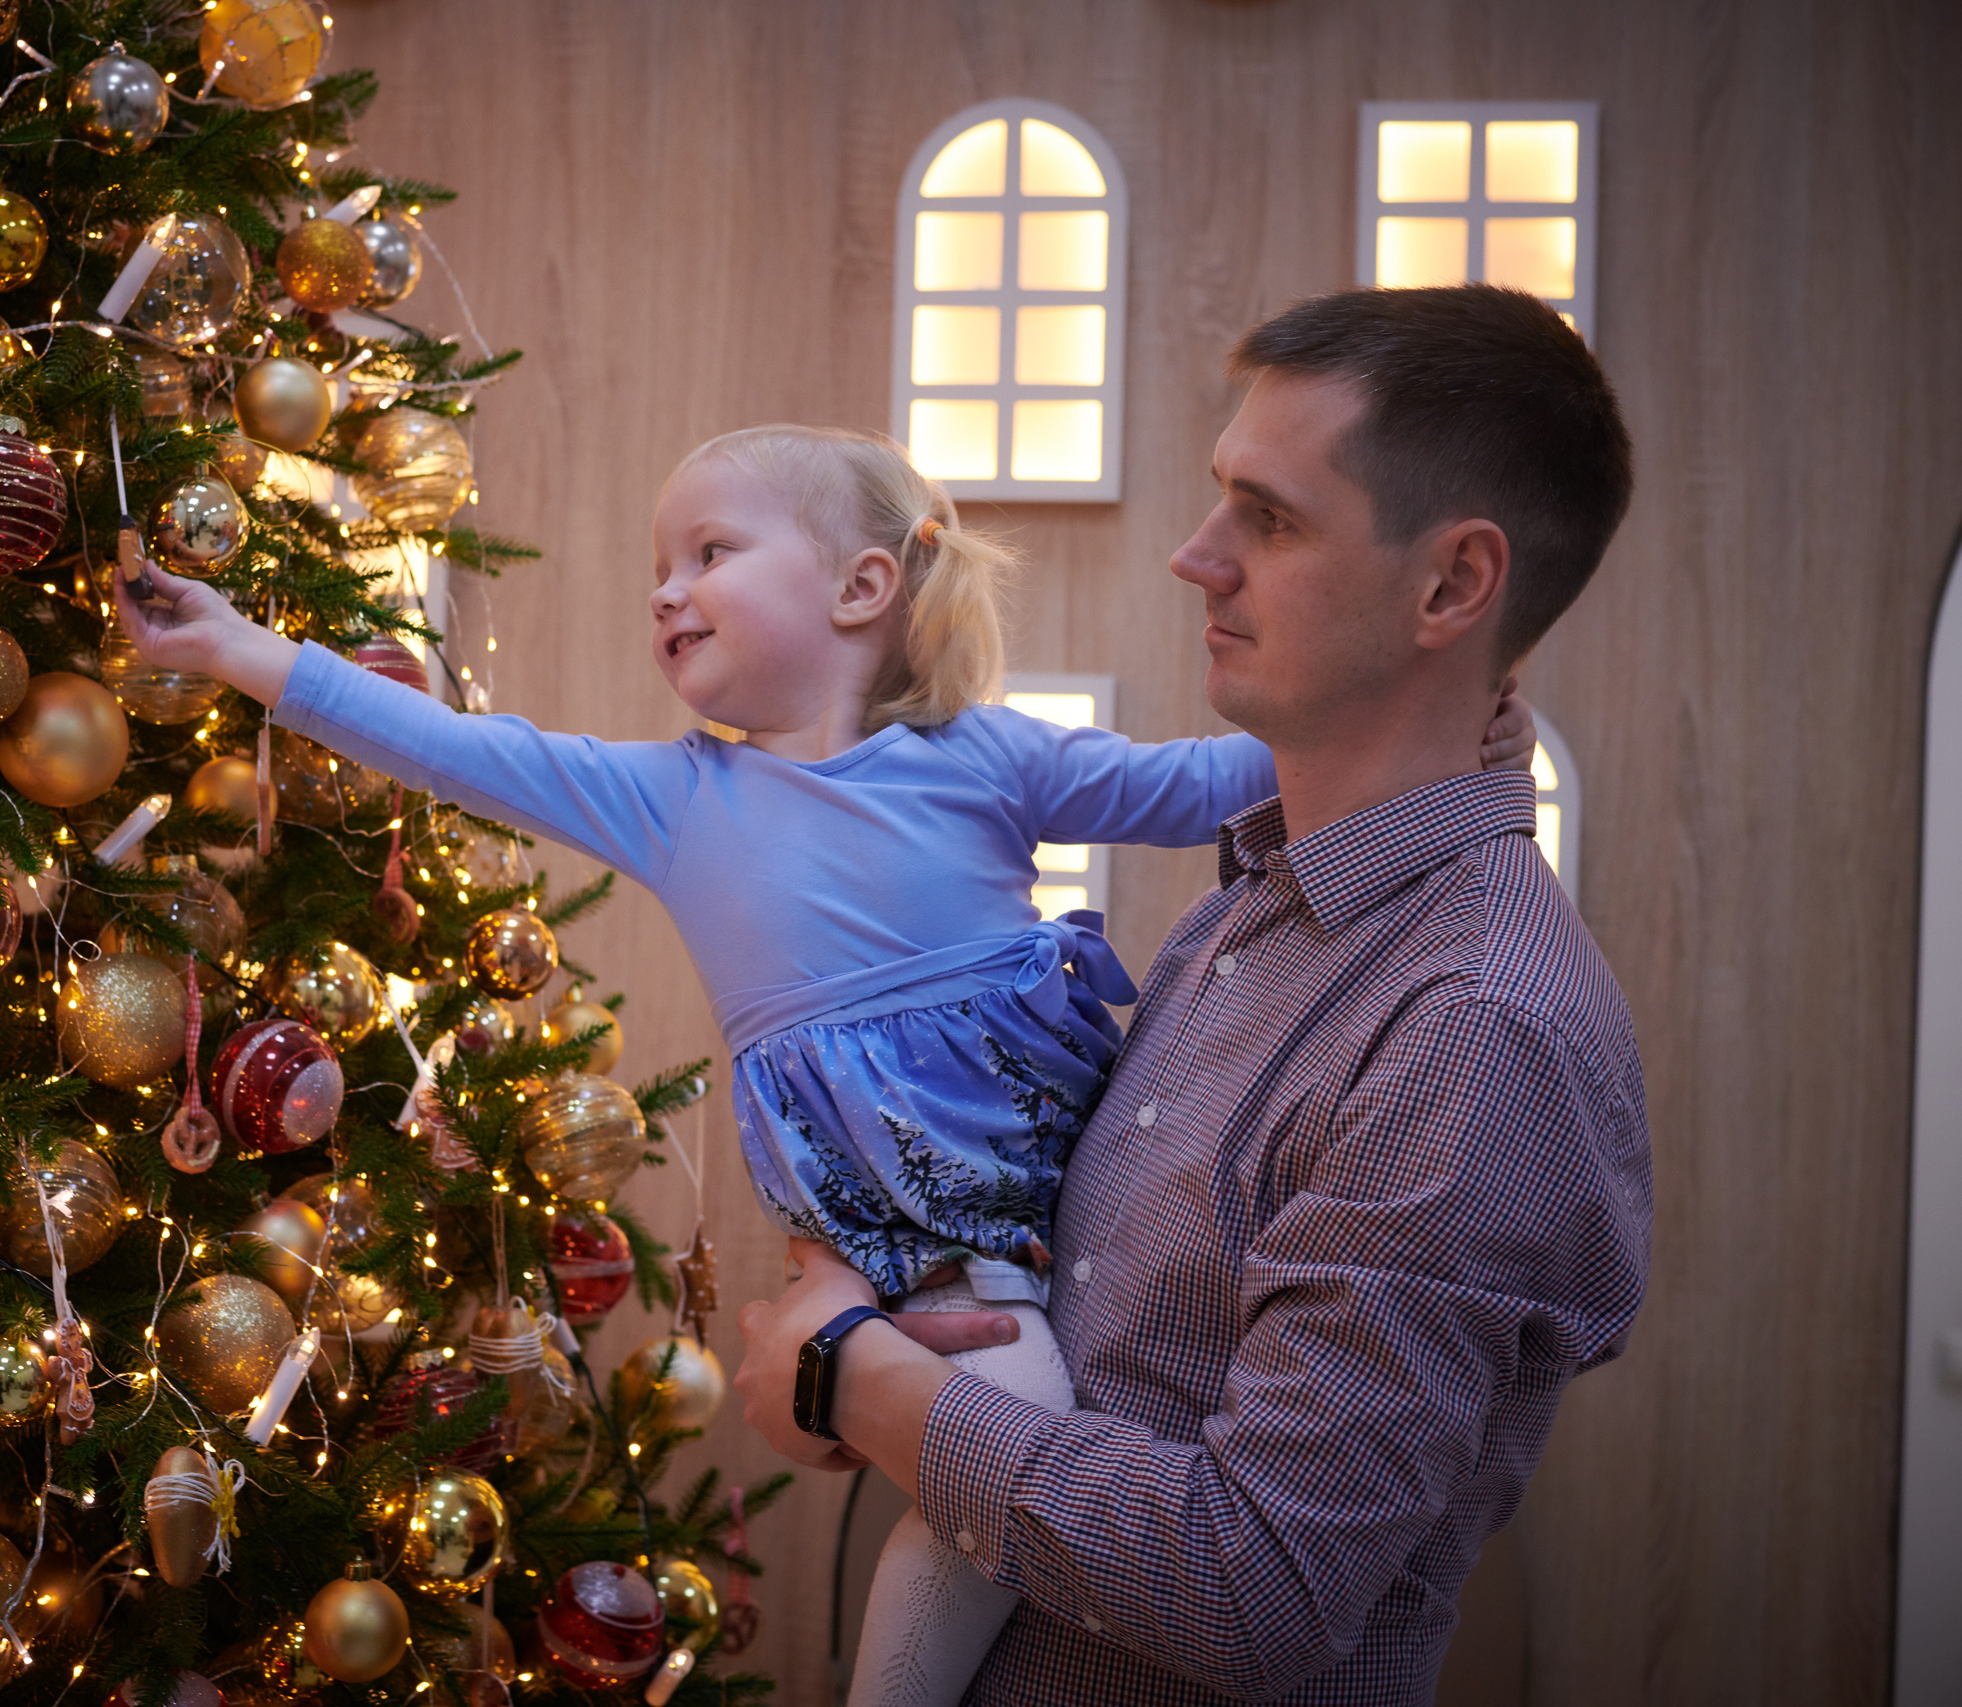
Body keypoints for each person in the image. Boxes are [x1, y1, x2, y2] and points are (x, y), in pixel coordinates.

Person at [113, 422, 1535, 1707]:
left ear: (860, 591)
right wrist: (239, 649)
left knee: (1012, 1431)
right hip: (880, 1245)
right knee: (987, 1432)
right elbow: (452, 747)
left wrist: (1434, 737)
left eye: (710, 553)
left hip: (1032, 1224)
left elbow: (1206, 783)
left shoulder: (988, 759)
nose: (666, 591)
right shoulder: (674, 798)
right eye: (659, 568)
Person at [731, 283, 1654, 1707]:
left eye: (1269, 519)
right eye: (1220, 500)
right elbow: (1096, 1344)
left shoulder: (1475, 1025)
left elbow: (1254, 1584)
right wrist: (892, 1321)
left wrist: (850, 1377)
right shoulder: (1245, 914)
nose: (1194, 557)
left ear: (1454, 586)